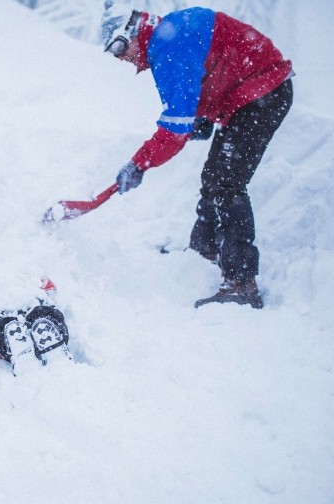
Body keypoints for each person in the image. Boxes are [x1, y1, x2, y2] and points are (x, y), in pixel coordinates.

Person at [101, 2, 294, 309]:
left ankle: (242, 283)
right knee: (215, 177)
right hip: (250, 94)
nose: (122, 59)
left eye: (117, 50)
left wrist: (139, 163)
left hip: (262, 93)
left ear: (130, 34)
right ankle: (203, 249)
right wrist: (200, 117)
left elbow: (175, 128)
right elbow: (205, 74)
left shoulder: (167, 45)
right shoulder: (169, 35)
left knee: (227, 183)